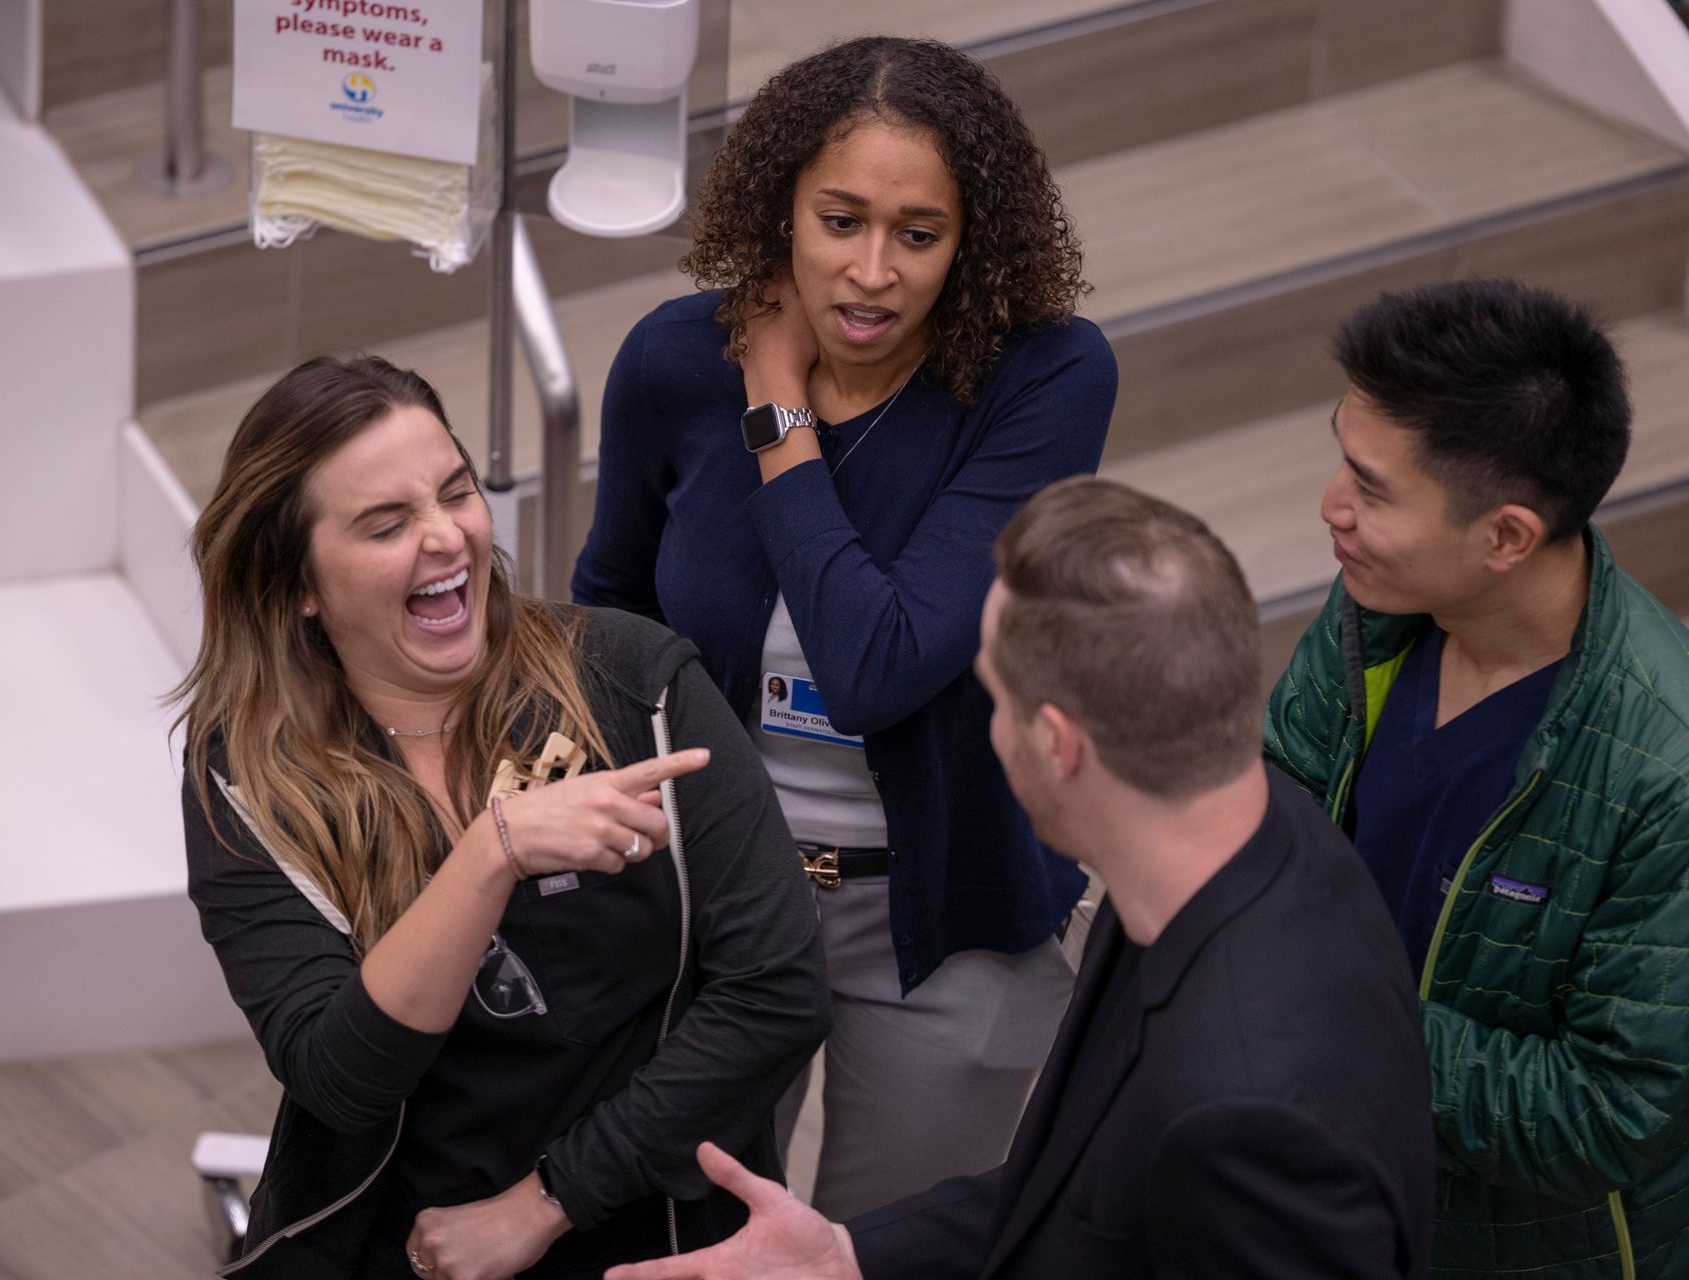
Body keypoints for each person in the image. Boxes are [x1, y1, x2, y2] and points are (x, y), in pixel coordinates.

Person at [604, 477, 1437, 1280]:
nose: (989, 731)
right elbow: (1090, 1190)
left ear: (1057, 744)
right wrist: (853, 1256)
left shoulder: (1249, 1128)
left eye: (993, 701)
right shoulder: (1243, 846)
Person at [571, 36, 1115, 1220]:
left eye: (918, 234)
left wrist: (780, 414)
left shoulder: (1044, 381)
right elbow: (611, 605)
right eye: (841, 220)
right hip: (716, 903)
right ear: (781, 211)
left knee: (891, 1251)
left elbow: (880, 662)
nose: (872, 272)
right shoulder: (672, 358)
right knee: (683, 1236)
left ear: (972, 240)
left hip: (945, 919)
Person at [175, 355, 829, 1279]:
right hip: (400, 1244)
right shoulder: (249, 777)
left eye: (457, 492)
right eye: (386, 524)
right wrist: (492, 853)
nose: (446, 538)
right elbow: (341, 1080)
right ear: (300, 588)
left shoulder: (633, 683)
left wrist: (549, 1202)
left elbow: (778, 991)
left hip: (657, 1229)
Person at [1264, 280, 1689, 1278]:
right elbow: (1280, 825)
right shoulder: (1377, 604)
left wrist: (1330, 1008)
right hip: (1344, 1193)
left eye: (1371, 489)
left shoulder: (1663, 770)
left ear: (1504, 536)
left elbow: (1607, 1112)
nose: (1331, 508)